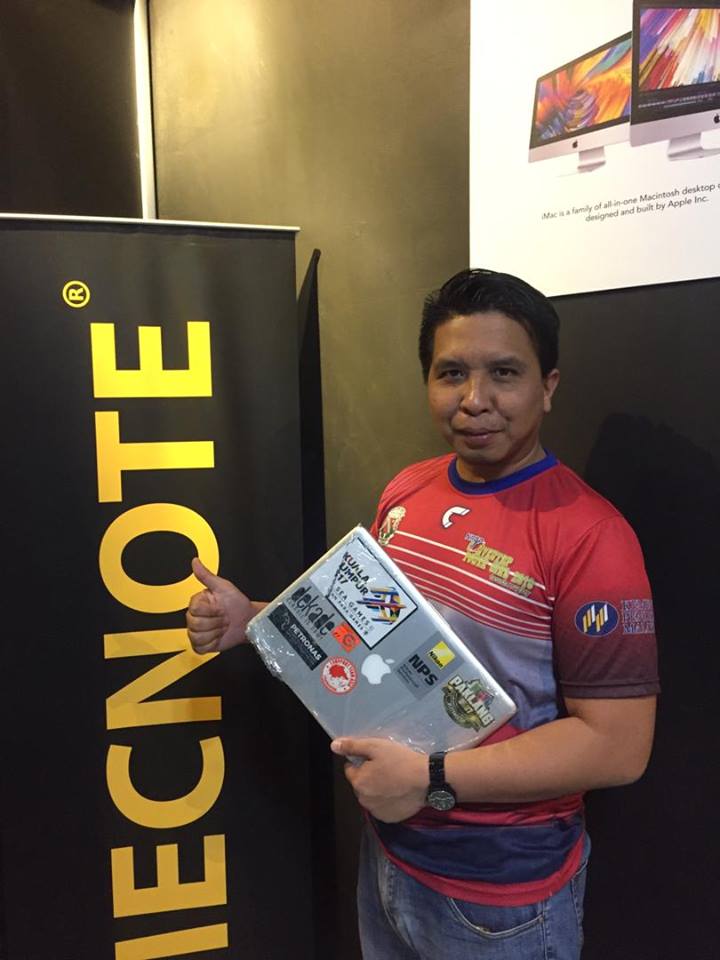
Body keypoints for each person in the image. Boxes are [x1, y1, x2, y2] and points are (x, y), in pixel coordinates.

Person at [186, 268, 659, 960]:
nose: (474, 400)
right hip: (389, 857)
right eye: (451, 373)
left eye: (504, 373)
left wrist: (430, 777)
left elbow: (617, 747)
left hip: (502, 899)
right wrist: (253, 619)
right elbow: (367, 638)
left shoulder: (593, 537)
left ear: (548, 386)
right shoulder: (409, 489)